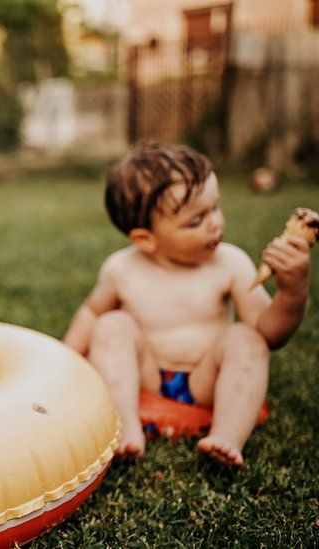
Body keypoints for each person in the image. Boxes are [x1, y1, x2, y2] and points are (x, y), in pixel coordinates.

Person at [63, 143, 312, 466]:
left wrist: (292, 291)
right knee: (111, 324)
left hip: (205, 380)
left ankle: (227, 436)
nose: (215, 224)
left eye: (215, 207)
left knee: (246, 338)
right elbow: (90, 313)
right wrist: (64, 360)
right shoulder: (121, 269)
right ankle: (125, 426)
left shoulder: (230, 264)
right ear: (145, 239)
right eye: (196, 221)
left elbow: (270, 333)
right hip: (144, 378)